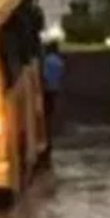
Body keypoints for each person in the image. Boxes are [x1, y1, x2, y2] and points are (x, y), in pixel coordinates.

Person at [41, 30, 65, 160]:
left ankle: (47, 140)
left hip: (45, 90)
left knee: (45, 117)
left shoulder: (46, 61)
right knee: (49, 116)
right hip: (54, 90)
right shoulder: (58, 62)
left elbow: (43, 75)